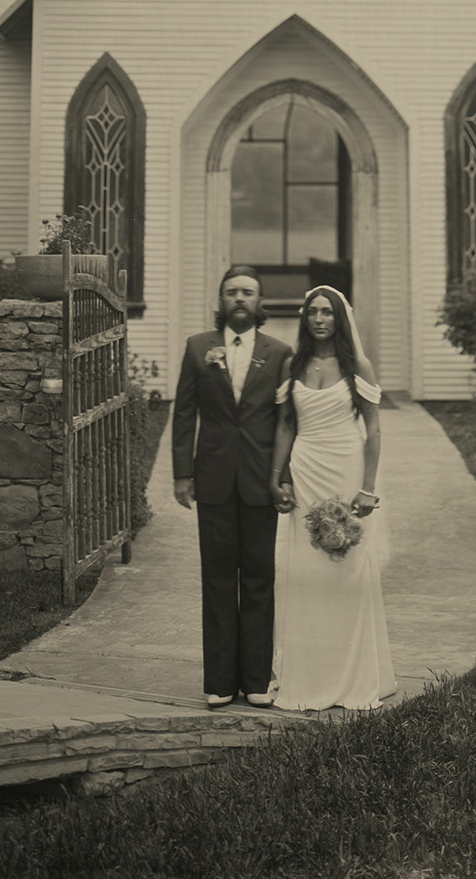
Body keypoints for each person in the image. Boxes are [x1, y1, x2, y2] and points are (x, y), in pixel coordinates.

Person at [268, 285, 397, 711]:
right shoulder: (294, 363)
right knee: (306, 570)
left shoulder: (357, 365)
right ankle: (310, 676)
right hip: (305, 473)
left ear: (341, 319)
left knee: (348, 570)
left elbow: (374, 429)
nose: (320, 319)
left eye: (328, 312)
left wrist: (368, 489)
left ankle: (353, 677)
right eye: (313, 312)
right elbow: (286, 425)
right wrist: (277, 477)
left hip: (346, 468)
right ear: (305, 318)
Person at [172, 264, 293, 709]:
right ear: (221, 301)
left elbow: (287, 422)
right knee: (219, 578)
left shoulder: (280, 353)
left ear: (259, 304)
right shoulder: (198, 348)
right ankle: (221, 681)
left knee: (260, 577)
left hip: (262, 481)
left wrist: (286, 478)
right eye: (232, 292)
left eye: (248, 292)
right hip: (215, 480)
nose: (240, 298)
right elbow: (184, 414)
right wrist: (183, 474)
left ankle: (258, 681)